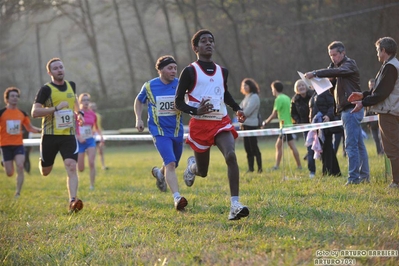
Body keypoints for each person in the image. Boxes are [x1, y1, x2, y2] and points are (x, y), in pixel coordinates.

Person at [175, 29, 249, 221]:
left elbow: (224, 93)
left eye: (211, 41)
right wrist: (195, 111)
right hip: (200, 125)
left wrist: (237, 108)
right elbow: (178, 102)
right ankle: (192, 167)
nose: (208, 43)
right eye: (203, 41)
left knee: (231, 156)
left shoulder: (222, 71)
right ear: (195, 47)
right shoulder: (190, 71)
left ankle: (235, 205)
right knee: (203, 172)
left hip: (221, 122)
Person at [305, 41, 369, 185]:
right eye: (330, 55)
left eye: (335, 55)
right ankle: (364, 177)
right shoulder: (337, 68)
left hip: (351, 109)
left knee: (351, 146)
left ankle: (353, 179)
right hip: (348, 110)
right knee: (358, 145)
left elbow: (338, 72)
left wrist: (315, 73)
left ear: (343, 53)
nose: (333, 58)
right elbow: (330, 83)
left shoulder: (349, 65)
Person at [31, 58, 84, 213]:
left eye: (61, 67)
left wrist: (78, 113)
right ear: (50, 72)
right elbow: (35, 112)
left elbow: (73, 100)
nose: (59, 70)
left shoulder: (71, 85)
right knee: (45, 171)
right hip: (49, 136)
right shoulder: (45, 90)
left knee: (71, 166)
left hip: (68, 135)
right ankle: (42, 160)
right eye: (55, 68)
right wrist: (55, 108)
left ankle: (72, 201)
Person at [134, 55, 187, 211]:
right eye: (170, 68)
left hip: (177, 130)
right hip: (159, 131)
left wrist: (182, 105)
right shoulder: (150, 86)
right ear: (161, 70)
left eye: (175, 68)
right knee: (170, 163)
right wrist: (138, 119)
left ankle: (159, 173)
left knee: (173, 163)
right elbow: (138, 101)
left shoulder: (180, 84)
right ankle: (177, 198)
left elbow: (188, 101)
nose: (174, 71)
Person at [348, 37, 399, 188]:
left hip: (389, 112)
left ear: (384, 50)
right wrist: (363, 95)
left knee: (392, 147)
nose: (377, 53)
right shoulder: (390, 65)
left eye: (378, 50)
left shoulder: (390, 67)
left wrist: (363, 103)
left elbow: (382, 93)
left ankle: (396, 181)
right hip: (393, 110)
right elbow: (378, 89)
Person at [0, 87, 41, 197]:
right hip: (5, 145)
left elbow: (29, 127)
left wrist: (40, 130)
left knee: (20, 165)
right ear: (7, 99)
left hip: (18, 144)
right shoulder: (2, 113)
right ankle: (4, 163)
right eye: (12, 96)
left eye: (16, 96)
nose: (15, 98)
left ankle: (17, 192)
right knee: (9, 173)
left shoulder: (22, 113)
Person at [262, 80, 302, 170]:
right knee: (287, 145)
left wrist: (266, 122)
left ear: (275, 89)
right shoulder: (287, 98)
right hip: (289, 125)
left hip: (285, 126)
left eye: (272, 89)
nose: (272, 91)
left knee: (282, 146)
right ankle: (298, 166)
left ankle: (277, 166)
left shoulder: (279, 99)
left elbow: (274, 114)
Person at [309, 90, 341, 176]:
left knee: (326, 148)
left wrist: (328, 115)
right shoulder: (314, 93)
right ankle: (335, 172)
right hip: (318, 125)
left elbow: (332, 106)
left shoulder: (326, 92)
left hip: (325, 123)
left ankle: (327, 172)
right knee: (328, 148)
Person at [76, 93, 103, 190]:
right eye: (84, 100)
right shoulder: (77, 114)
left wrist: (101, 137)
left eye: (87, 100)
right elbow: (74, 127)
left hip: (90, 140)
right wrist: (78, 136)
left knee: (92, 162)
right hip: (80, 141)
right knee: (81, 168)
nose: (86, 102)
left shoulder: (93, 114)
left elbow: (96, 127)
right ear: (79, 102)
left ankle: (92, 185)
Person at [291, 79, 315, 178]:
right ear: (296, 89)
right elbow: (293, 114)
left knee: (320, 146)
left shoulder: (313, 96)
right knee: (310, 149)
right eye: (299, 86)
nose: (301, 87)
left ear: (306, 86)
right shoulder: (294, 100)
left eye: (302, 85)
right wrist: (298, 122)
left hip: (316, 124)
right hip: (305, 127)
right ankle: (312, 171)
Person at [239, 78, 262, 174]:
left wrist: (241, 113)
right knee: (247, 148)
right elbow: (239, 109)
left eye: (246, 85)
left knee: (254, 147)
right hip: (244, 125)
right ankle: (251, 168)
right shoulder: (246, 97)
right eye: (243, 85)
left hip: (251, 125)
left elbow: (247, 111)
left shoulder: (254, 97)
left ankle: (259, 168)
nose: (245, 87)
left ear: (251, 86)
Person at [364, 78, 384, 155]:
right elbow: (366, 110)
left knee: (381, 138)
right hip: (371, 124)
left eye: (373, 84)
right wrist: (367, 123)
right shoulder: (367, 97)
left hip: (379, 121)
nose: (371, 86)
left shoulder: (378, 95)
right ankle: (379, 152)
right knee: (376, 139)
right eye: (370, 85)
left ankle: (383, 152)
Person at [89, 102, 109, 170]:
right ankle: (92, 165)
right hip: (91, 135)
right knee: (92, 152)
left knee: (101, 151)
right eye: (92, 107)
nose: (93, 108)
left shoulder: (98, 116)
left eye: (94, 106)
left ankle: (103, 165)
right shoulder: (87, 115)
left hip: (97, 135)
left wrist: (101, 136)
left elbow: (98, 126)